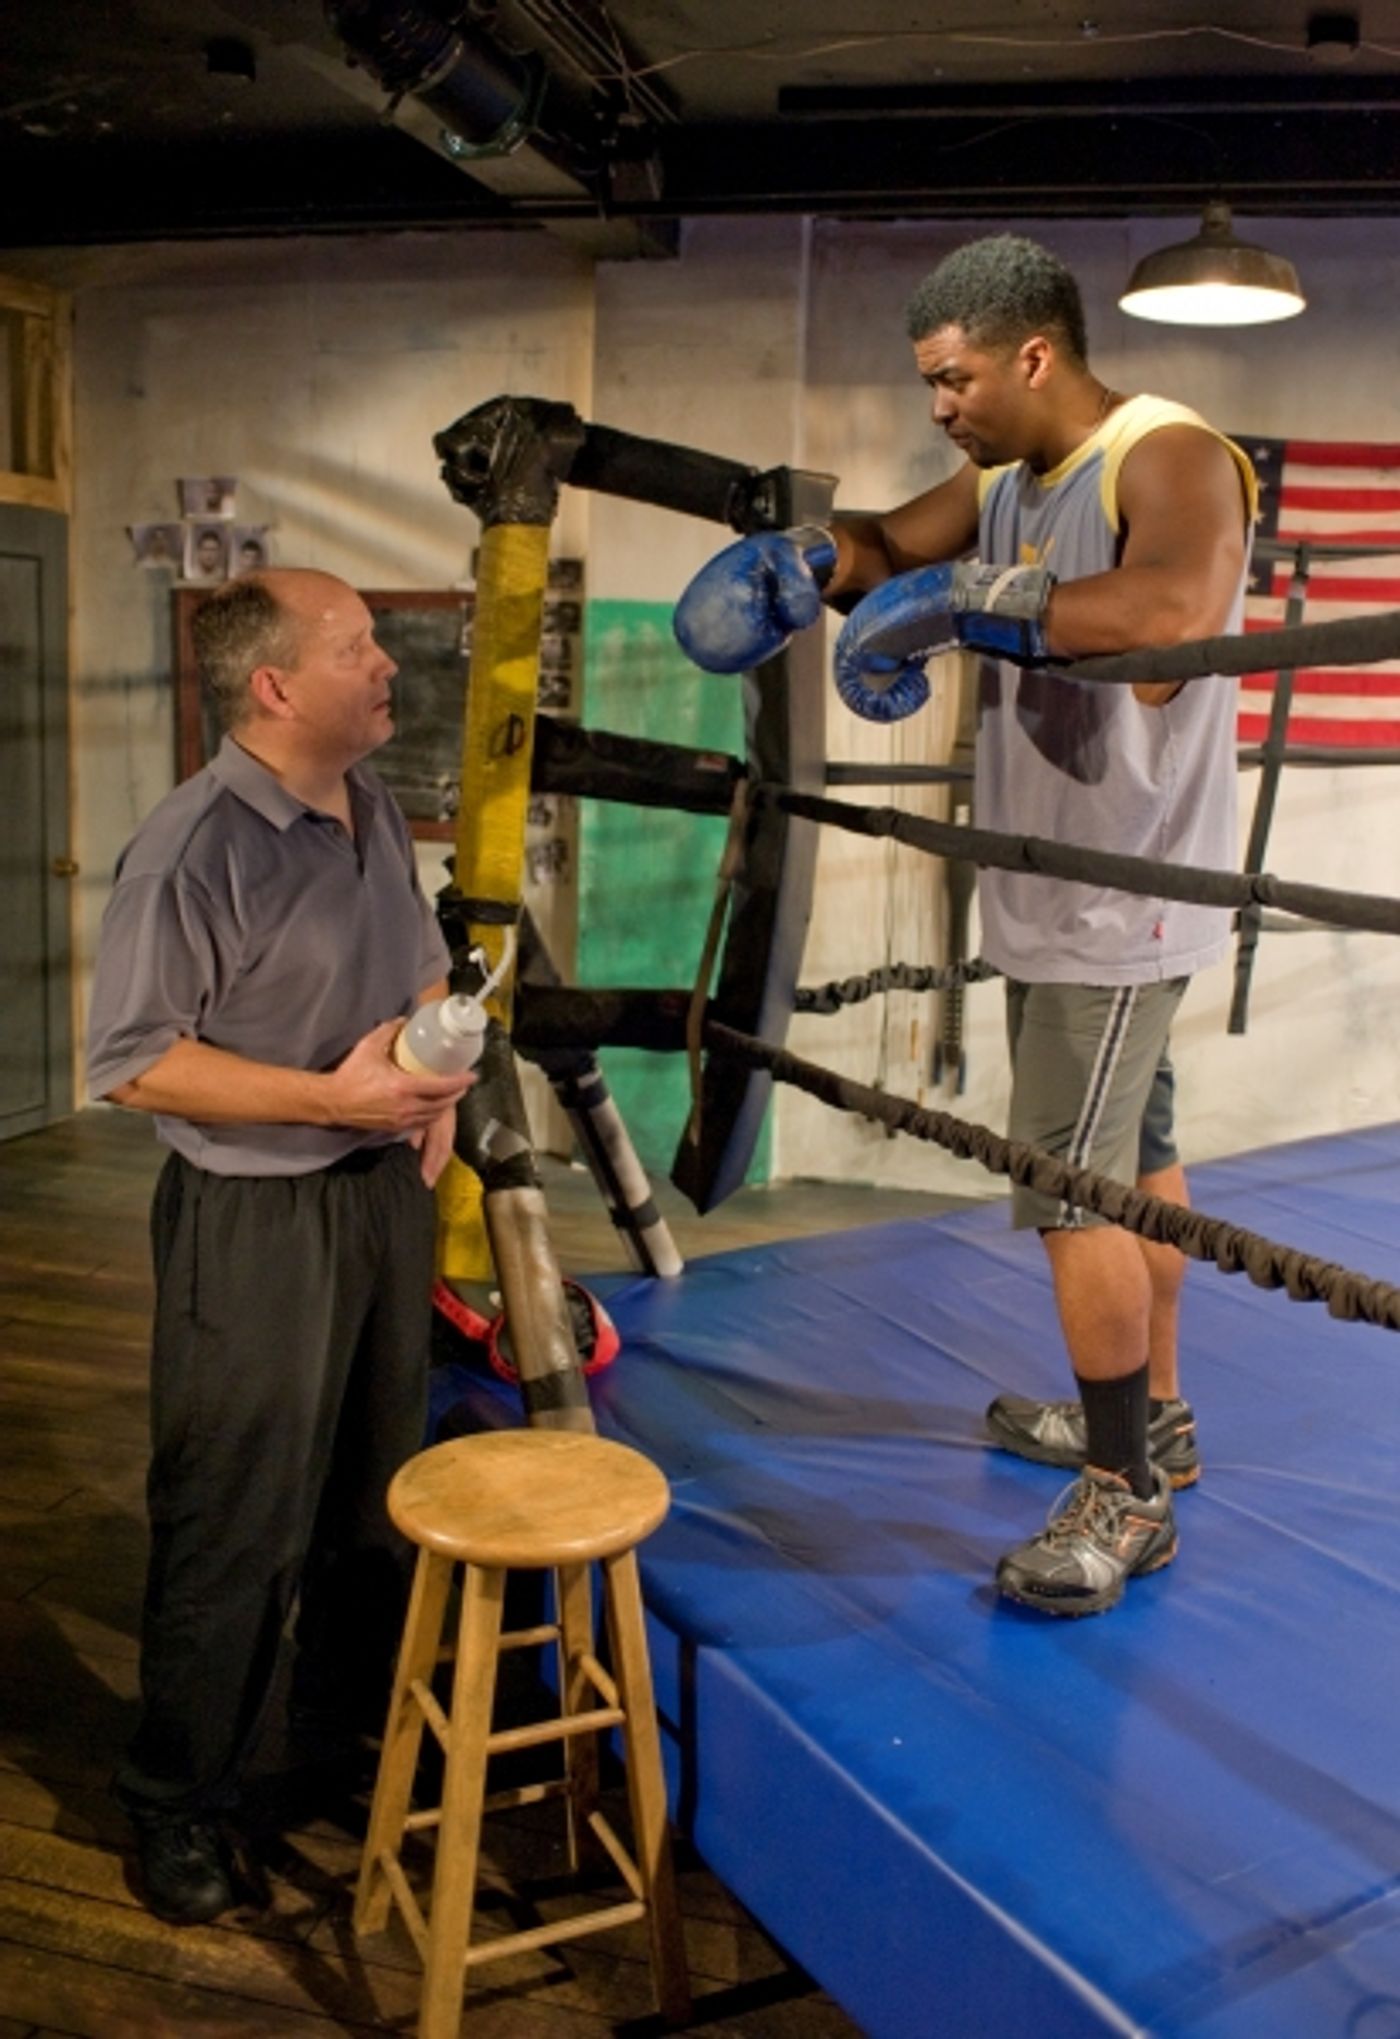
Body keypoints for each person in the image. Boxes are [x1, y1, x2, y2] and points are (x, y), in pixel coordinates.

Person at [673, 234, 1255, 1618]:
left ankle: (1126, 1493)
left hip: (1121, 897)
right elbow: (893, 546)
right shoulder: (1005, 482)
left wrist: (967, 604)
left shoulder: (1168, 453)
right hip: (1059, 886)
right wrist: (817, 558)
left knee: (1067, 1191)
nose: (939, 405)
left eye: (955, 379)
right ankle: (1159, 1421)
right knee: (1135, 1158)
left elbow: (1174, 602)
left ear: (1034, 355)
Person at [86, 569, 473, 1923]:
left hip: (380, 1195)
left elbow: (417, 965)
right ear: (275, 685)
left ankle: (332, 1744)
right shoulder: (191, 850)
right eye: (358, 645)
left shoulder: (371, 804)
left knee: (371, 1499)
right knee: (236, 1517)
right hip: (253, 1217)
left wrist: (432, 1074)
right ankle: (176, 1801)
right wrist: (330, 1101)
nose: (388, 663)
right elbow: (134, 1062)